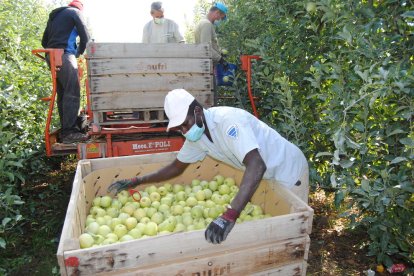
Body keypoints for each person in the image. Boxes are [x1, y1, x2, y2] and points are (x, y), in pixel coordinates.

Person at [108, 89, 309, 245]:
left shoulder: (227, 121)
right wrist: (137, 180)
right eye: (179, 129)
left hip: (288, 169)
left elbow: (256, 165)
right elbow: (176, 168)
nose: (184, 131)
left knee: (291, 234)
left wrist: (229, 215)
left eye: (185, 124)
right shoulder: (197, 138)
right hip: (266, 176)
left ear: (197, 111)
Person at [41, 0, 90, 144]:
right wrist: (78, 52)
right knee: (72, 91)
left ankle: (66, 130)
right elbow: (85, 36)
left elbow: (44, 41)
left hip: (51, 56)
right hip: (64, 55)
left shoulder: (55, 16)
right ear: (80, 8)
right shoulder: (76, 13)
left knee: (63, 93)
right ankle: (70, 132)